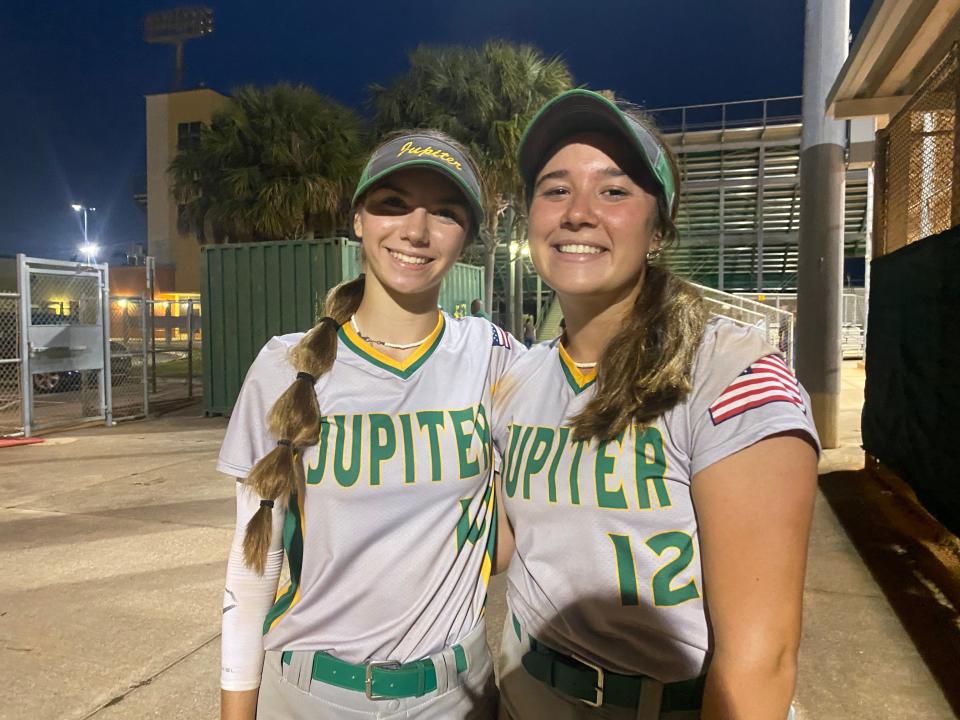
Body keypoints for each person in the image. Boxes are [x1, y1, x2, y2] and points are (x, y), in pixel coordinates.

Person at [491, 89, 820, 720]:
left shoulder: (728, 374)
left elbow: (762, 659)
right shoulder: (518, 378)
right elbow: (504, 547)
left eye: (614, 192)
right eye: (554, 189)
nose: (578, 213)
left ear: (659, 226)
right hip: (524, 693)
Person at [218, 130, 523, 720]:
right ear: (358, 218)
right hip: (311, 693)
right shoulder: (285, 365)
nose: (416, 228)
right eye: (393, 203)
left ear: (465, 236)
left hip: (456, 694)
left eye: (445, 212)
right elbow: (253, 558)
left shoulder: (493, 354)